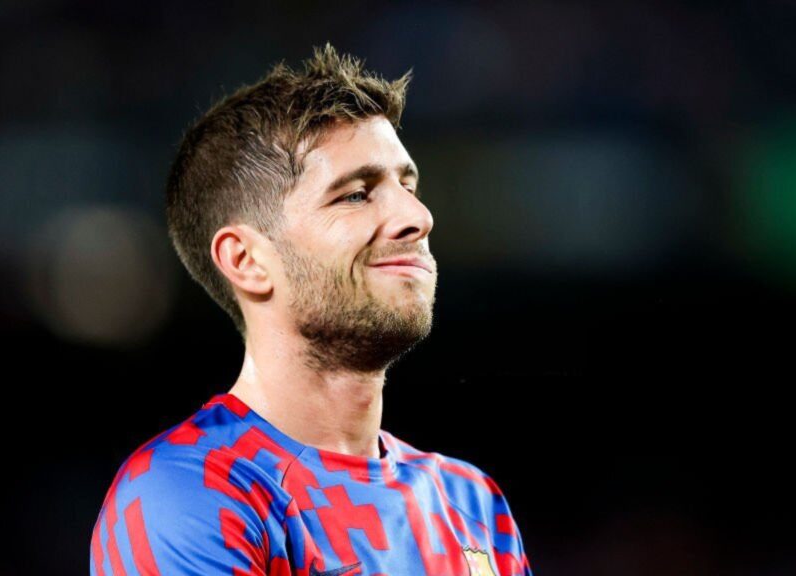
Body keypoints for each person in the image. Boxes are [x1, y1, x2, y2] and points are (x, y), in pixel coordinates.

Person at [88, 43, 532, 576]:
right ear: (247, 261)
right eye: (356, 194)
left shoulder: (472, 505)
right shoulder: (189, 492)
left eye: (408, 185)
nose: (417, 216)